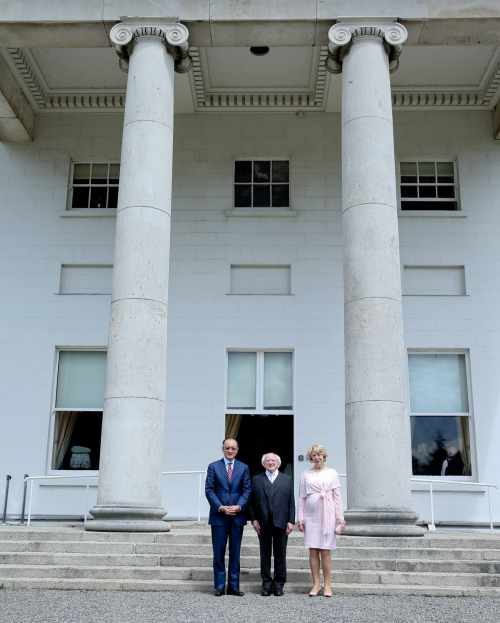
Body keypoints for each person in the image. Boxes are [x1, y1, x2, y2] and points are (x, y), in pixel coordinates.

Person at [298, 443, 346, 597]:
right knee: (313, 550)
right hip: (311, 516)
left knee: (325, 551)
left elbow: (337, 497)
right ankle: (316, 584)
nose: (317, 457)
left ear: (324, 456)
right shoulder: (305, 474)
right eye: (314, 455)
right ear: (310, 458)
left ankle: (328, 585)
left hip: (328, 515)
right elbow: (301, 498)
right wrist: (300, 518)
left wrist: (340, 518)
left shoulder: (332, 473)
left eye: (319, 454)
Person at [205, 437, 251, 596]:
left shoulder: (244, 467)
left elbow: (247, 490)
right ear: (222, 449)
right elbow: (209, 490)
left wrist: (239, 506)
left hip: (237, 516)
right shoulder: (213, 467)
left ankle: (233, 586)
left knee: (235, 553)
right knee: (218, 553)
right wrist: (220, 507)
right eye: (227, 448)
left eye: (233, 448)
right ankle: (219, 586)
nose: (230, 451)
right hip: (219, 517)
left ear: (237, 450)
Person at [249, 452, 295, 596]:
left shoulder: (287, 479)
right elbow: (251, 502)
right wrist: (253, 519)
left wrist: (291, 521)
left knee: (280, 554)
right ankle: (266, 583)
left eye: (273, 460)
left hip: (281, 522)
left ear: (278, 463)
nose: (270, 462)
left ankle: (279, 583)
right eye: (267, 460)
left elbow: (291, 502)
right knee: (265, 554)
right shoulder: (256, 479)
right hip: (263, 523)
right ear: (264, 464)